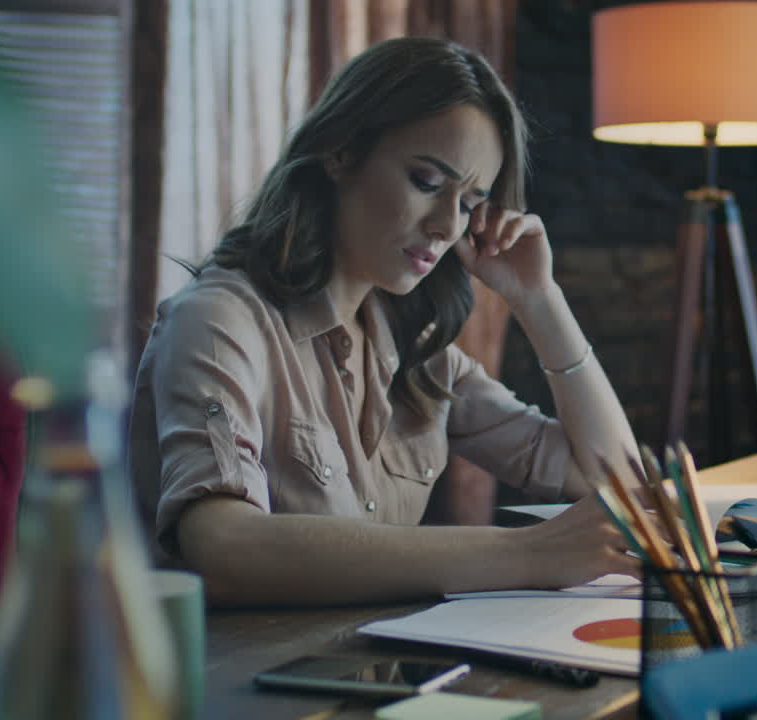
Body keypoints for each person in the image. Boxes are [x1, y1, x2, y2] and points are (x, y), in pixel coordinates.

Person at [128, 37, 641, 607]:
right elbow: (220, 542)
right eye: (427, 183)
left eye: (471, 203)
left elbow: (615, 485)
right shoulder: (219, 321)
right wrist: (528, 554)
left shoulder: (416, 349)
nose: (449, 225)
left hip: (371, 670)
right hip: (237, 685)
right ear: (342, 152)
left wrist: (539, 299)